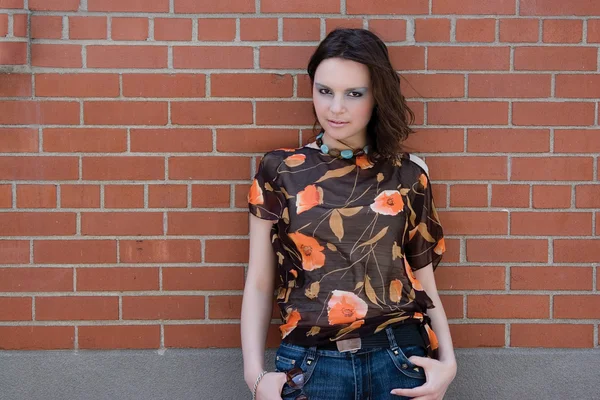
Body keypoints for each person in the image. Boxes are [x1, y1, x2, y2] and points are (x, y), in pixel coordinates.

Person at [241, 28, 456, 400]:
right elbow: (260, 281)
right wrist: (255, 378)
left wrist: (448, 365)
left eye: (353, 94)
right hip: (309, 367)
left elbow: (422, 279)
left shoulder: (408, 175)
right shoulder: (280, 171)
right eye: (325, 91)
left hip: (399, 361)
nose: (335, 108)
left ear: (377, 97)